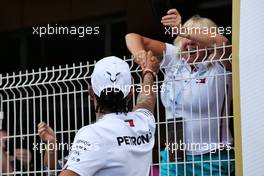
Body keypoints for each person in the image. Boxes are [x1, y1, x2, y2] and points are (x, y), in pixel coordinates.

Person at [125, 8, 234, 176]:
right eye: (185, 38)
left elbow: (222, 42)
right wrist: (140, 55)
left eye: (196, 36)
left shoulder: (220, 63)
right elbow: (132, 37)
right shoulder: (174, 59)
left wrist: (183, 30)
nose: (189, 42)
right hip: (174, 157)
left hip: (213, 158)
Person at [56, 54, 159, 176]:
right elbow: (146, 101)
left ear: (90, 91)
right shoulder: (143, 122)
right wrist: (149, 72)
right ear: (130, 93)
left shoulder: (93, 134)